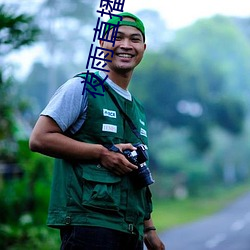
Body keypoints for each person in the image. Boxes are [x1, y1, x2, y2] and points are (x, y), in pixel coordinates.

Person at [29, 11, 165, 250]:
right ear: (103, 44)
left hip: (130, 228)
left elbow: (136, 170)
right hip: (89, 225)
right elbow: (39, 138)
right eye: (117, 37)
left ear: (143, 47)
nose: (125, 45)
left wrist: (149, 228)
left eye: (134, 39)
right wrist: (102, 153)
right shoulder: (82, 87)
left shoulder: (138, 108)